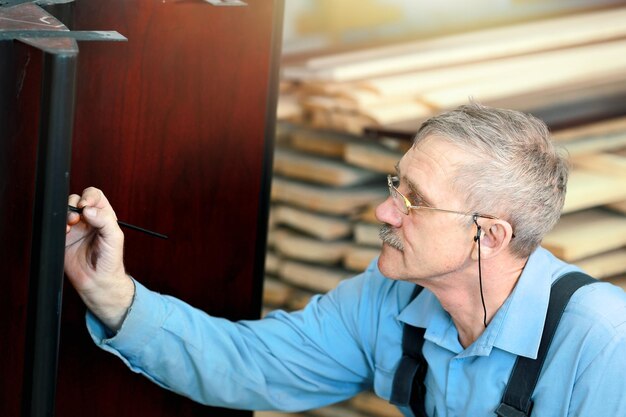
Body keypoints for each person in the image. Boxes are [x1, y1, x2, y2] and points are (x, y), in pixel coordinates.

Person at [64, 102, 626, 416]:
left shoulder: (601, 343)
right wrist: (109, 291)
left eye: (415, 201)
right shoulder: (388, 301)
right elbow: (252, 365)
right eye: (395, 186)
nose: (384, 211)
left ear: (491, 236)